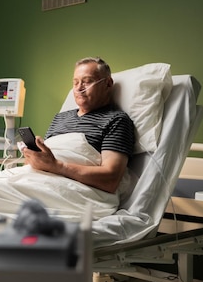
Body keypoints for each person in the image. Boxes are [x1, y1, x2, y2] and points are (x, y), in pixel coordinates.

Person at [22, 57, 135, 194]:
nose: (79, 88)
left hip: (71, 189)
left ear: (108, 84)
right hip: (33, 178)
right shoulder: (60, 117)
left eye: (87, 82)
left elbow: (110, 179)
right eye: (75, 83)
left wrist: (58, 166)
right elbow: (49, 158)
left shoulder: (116, 120)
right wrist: (33, 159)